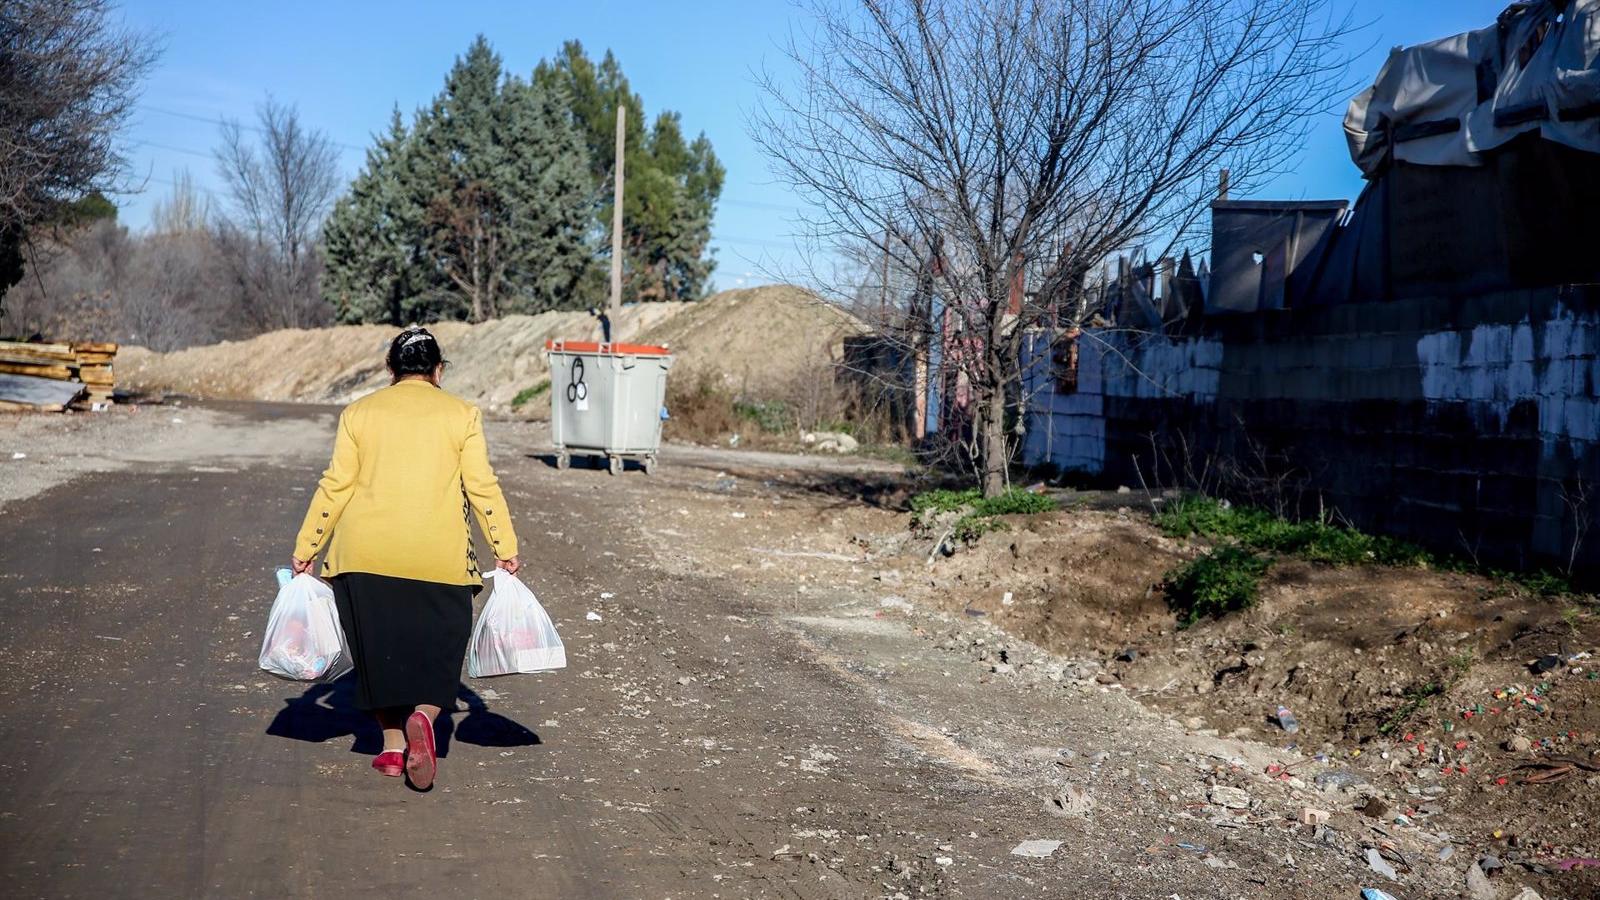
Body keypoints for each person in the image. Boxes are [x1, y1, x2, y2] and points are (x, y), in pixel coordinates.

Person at [289, 328, 521, 790]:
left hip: (363, 557)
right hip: (440, 559)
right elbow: (481, 486)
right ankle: (424, 716)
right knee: (440, 652)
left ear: (391, 370)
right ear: (438, 371)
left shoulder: (359, 413)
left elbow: (336, 484)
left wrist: (307, 547)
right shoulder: (462, 414)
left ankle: (393, 747)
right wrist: (505, 546)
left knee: (378, 655)